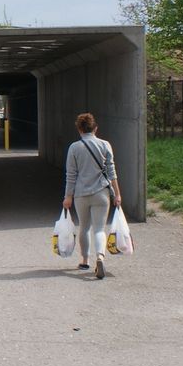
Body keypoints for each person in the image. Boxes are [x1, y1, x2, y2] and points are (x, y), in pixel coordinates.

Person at [62, 112, 123, 279]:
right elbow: (112, 172)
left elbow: (71, 174)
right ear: (95, 128)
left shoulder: (74, 148)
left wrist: (68, 196)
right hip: (102, 193)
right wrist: (117, 194)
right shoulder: (105, 145)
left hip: (81, 194)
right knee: (99, 229)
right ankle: (100, 257)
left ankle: (84, 260)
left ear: (79, 130)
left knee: (84, 227)